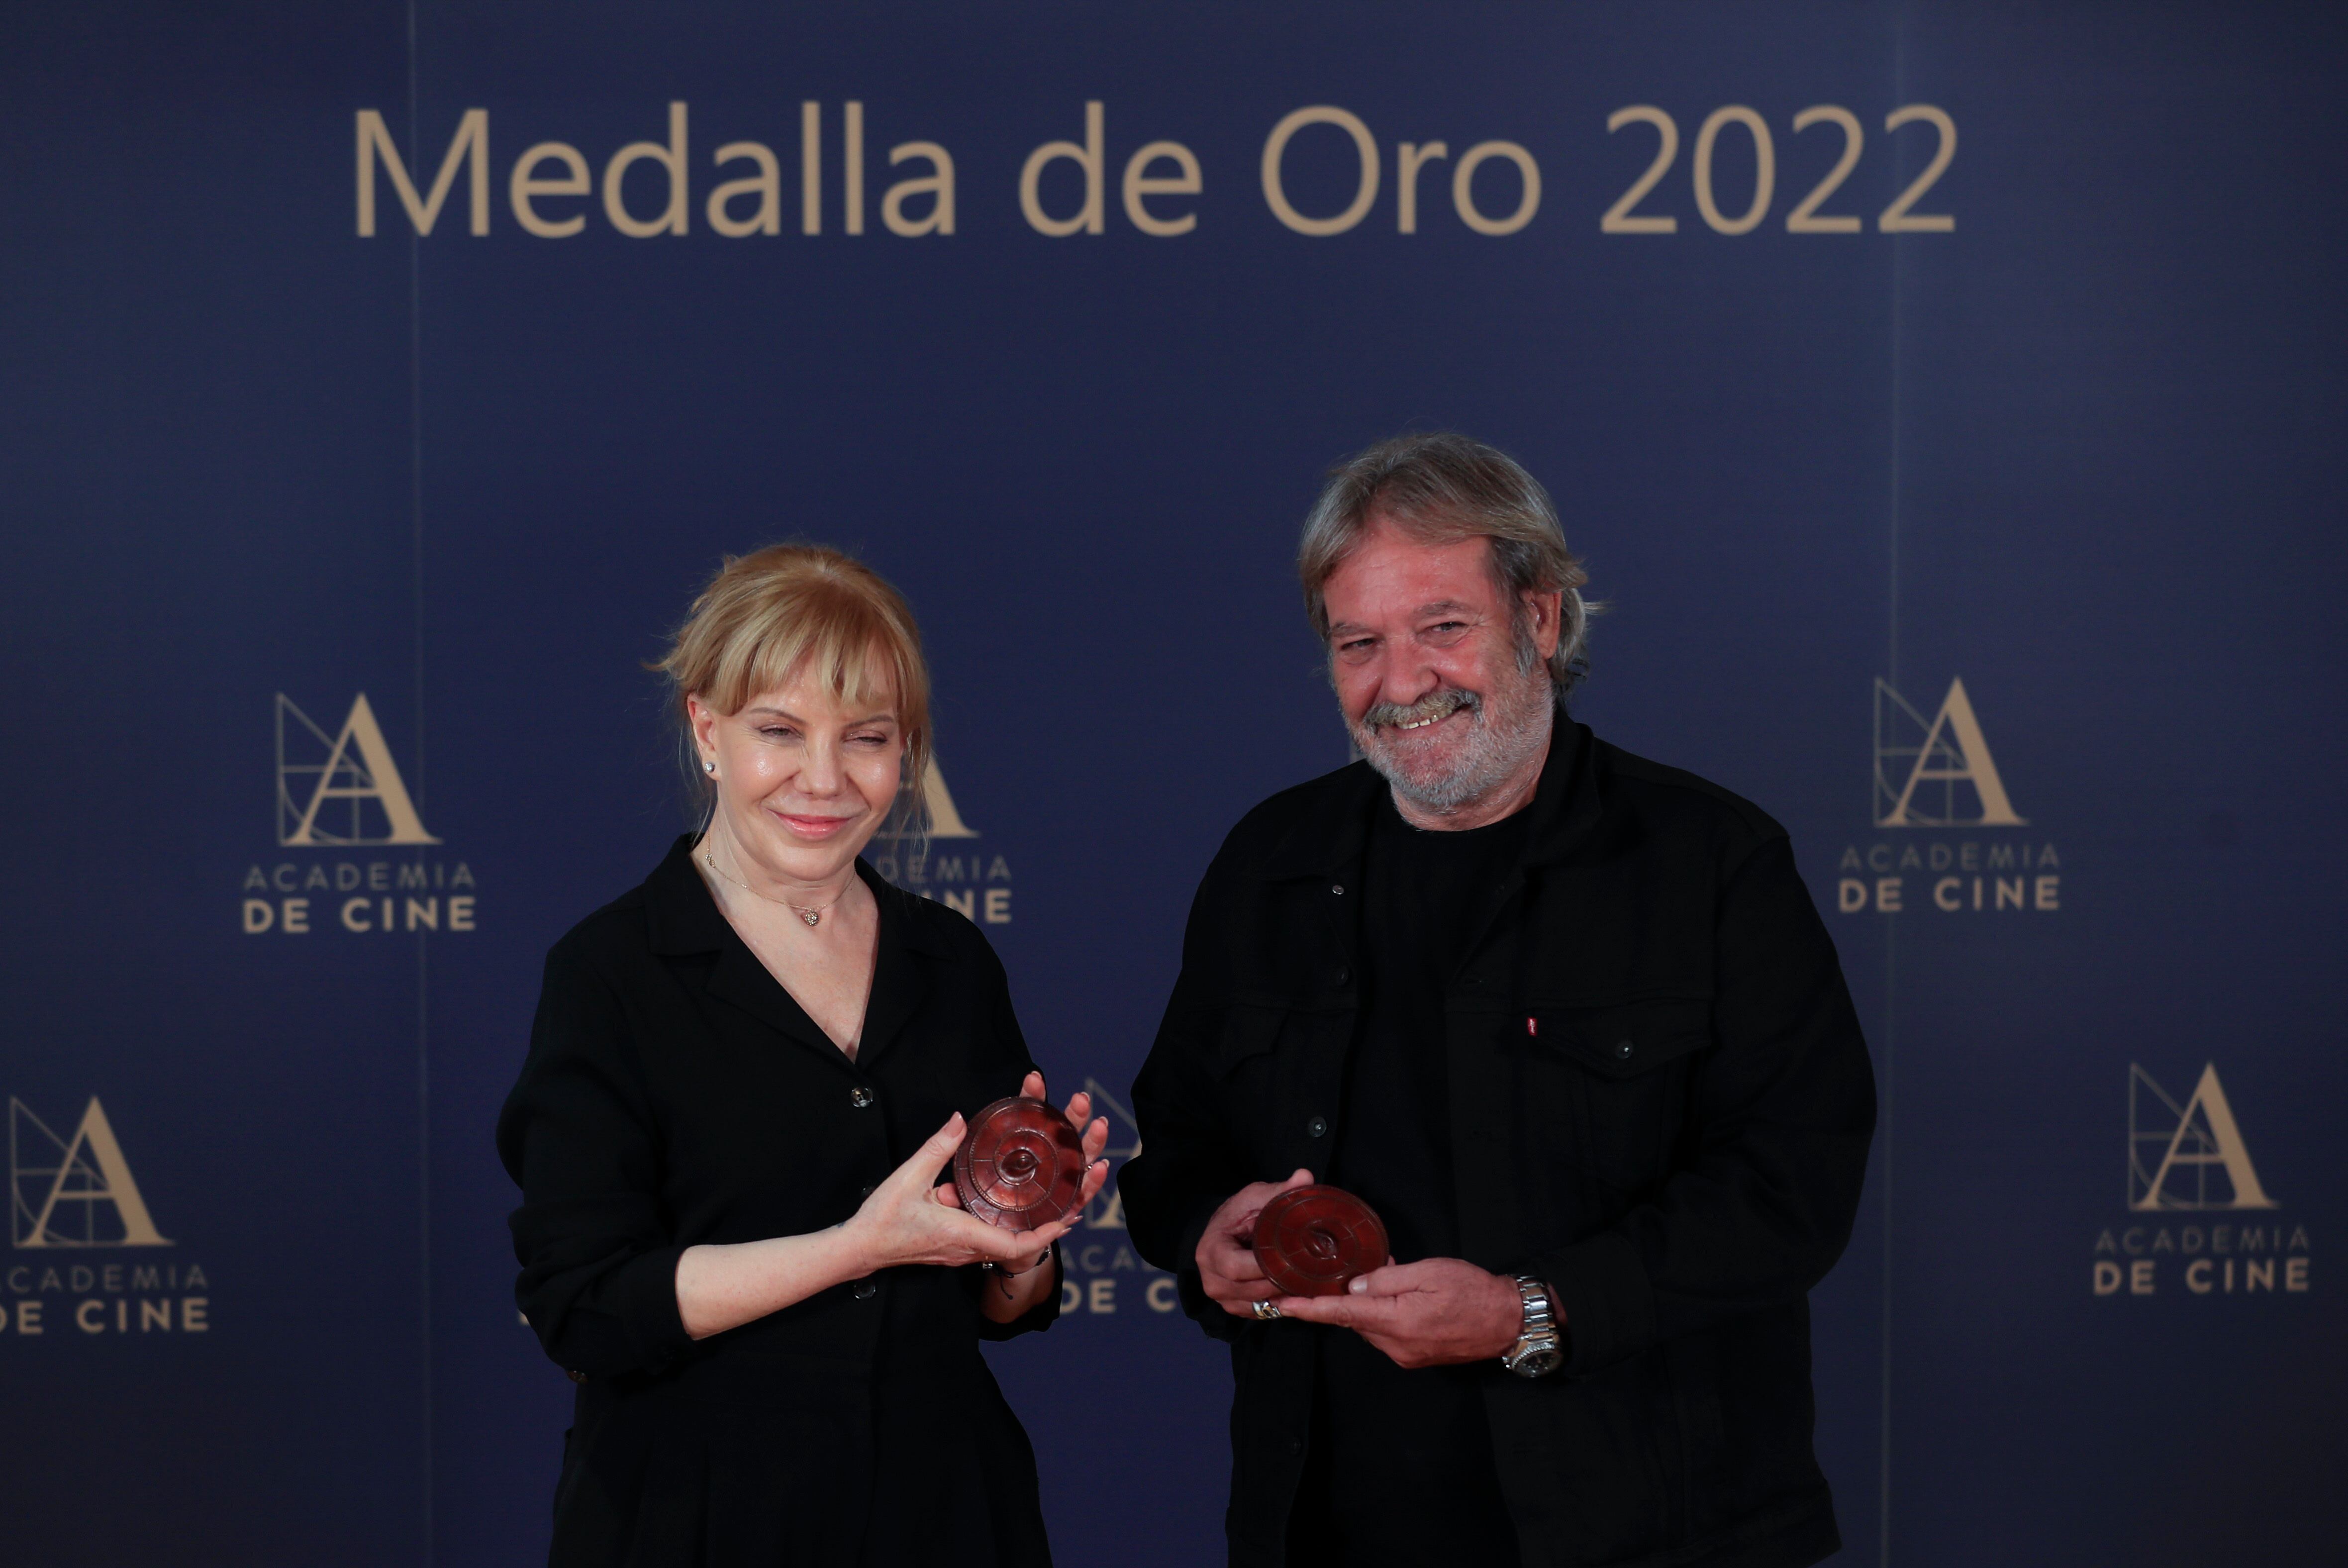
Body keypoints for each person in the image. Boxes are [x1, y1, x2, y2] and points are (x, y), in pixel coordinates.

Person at [1119, 434, 1876, 1568]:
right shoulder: (1268, 862)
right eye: (1358, 643)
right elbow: (1177, 1140)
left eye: (1441, 627)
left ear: (1541, 619)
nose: (1402, 682)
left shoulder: (1706, 861)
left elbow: (1792, 1183)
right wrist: (1203, 1235)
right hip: (1328, 1530)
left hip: (1652, 1533)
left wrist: (1534, 1308)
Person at [498, 543, 1108, 1567]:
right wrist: (860, 1244)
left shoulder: (949, 959)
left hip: (947, 1514)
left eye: (865, 737)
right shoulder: (609, 974)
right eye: (778, 731)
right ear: (707, 729)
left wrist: (1026, 1243)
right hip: (696, 1519)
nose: (823, 780)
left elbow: (1003, 1309)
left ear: (904, 749)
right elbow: (585, 1308)